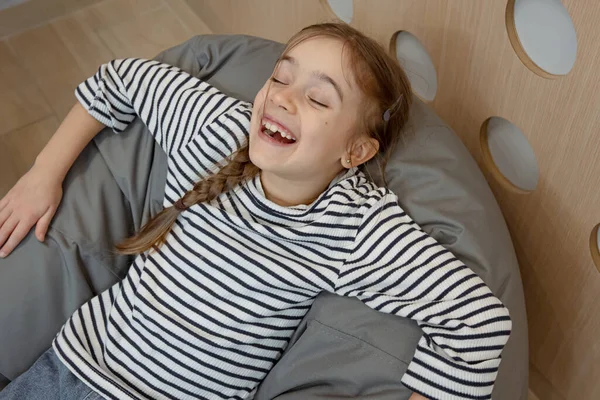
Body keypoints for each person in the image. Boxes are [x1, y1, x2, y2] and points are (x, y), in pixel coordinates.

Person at [0, 23, 511, 400]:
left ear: (355, 153)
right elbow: (122, 78)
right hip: (68, 375)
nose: (281, 100)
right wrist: (42, 175)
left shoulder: (357, 227)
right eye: (280, 78)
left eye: (317, 99)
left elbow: (480, 323)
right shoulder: (218, 130)